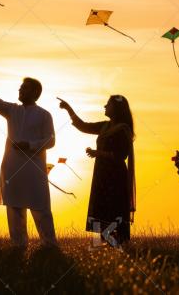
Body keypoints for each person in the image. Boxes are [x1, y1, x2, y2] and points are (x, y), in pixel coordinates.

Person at [0, 58, 57, 248]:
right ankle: (18, 246)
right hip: (12, 167)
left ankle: (49, 245)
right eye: (20, 87)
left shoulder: (44, 115)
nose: (20, 90)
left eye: (24, 88)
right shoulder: (12, 110)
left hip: (34, 169)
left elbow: (51, 141)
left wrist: (29, 145)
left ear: (35, 92)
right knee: (15, 208)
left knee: (40, 207)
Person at [58, 95, 135, 246]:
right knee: (103, 208)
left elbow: (121, 155)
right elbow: (83, 126)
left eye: (108, 104)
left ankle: (119, 243)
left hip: (115, 175)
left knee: (114, 207)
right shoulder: (105, 126)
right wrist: (68, 109)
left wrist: (98, 153)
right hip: (102, 174)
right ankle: (105, 243)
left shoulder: (123, 129)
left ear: (117, 109)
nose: (104, 106)